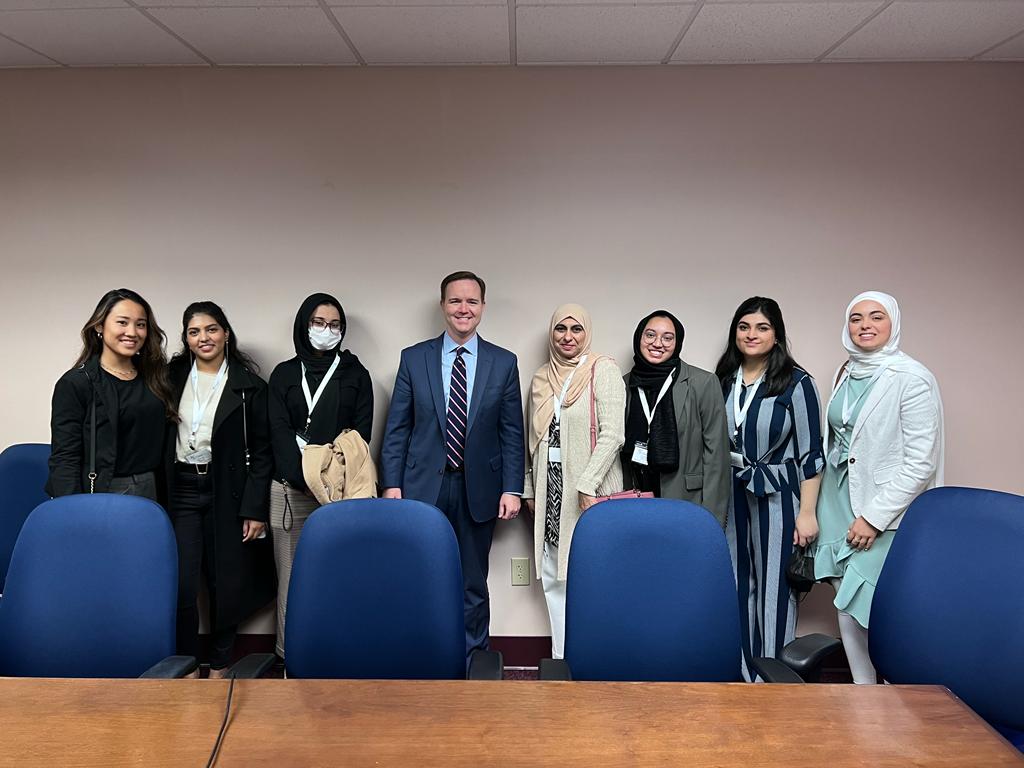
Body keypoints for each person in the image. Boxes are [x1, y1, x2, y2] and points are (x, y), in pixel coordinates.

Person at [380, 270, 525, 658]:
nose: (464, 309)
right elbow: (398, 428)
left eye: (472, 301)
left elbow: (512, 431)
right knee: (419, 575)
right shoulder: (414, 358)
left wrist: (512, 487)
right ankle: (421, 655)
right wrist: (391, 484)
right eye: (455, 301)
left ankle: (472, 659)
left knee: (472, 582)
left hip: (478, 489)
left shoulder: (503, 362)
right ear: (443, 306)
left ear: (482, 307)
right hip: (422, 488)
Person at [813, 291, 943, 684]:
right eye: (856, 318)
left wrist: (874, 517)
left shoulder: (912, 378)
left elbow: (922, 460)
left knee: (867, 600)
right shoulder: (846, 370)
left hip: (879, 505)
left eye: (876, 317)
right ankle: (863, 691)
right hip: (835, 497)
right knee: (844, 602)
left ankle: (890, 689)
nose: (865, 325)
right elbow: (836, 439)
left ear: (893, 324)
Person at [714, 296, 824, 682]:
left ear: (776, 335)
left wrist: (807, 513)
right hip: (732, 493)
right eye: (744, 327)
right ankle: (743, 674)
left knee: (775, 590)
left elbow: (812, 456)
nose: (752, 334)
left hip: (778, 496)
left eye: (762, 327)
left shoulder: (797, 383)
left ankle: (774, 679)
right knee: (738, 584)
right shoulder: (724, 378)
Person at [165, 301, 277, 678]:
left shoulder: (250, 386)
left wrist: (255, 508)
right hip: (181, 487)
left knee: (225, 581)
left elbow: (263, 454)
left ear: (226, 333)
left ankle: (219, 663)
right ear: (186, 339)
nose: (203, 338)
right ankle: (185, 664)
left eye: (211, 329)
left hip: (226, 490)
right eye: (194, 332)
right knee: (182, 582)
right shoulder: (169, 377)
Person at [267, 292, 373, 657]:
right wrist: (304, 475)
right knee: (292, 581)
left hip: (338, 494)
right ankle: (289, 655)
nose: (326, 331)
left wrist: (323, 473)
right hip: (290, 493)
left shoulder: (356, 374)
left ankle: (339, 654)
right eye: (318, 323)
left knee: (340, 577)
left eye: (334, 325)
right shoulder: (283, 374)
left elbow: (360, 438)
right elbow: (277, 433)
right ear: (303, 325)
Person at [523, 304, 625, 659]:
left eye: (576, 329)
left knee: (591, 575)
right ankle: (561, 658)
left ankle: (595, 658)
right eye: (561, 329)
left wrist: (587, 483)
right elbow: (531, 440)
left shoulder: (604, 370)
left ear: (587, 333)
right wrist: (530, 488)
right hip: (550, 490)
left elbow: (614, 435)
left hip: (589, 492)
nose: (568, 337)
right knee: (553, 576)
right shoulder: (540, 377)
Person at [47, 288, 175, 500]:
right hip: (104, 489)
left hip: (153, 487)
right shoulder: (77, 383)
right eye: (122, 322)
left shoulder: (156, 379)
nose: (133, 332)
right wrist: (69, 509)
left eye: (140, 324)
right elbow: (65, 457)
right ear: (99, 326)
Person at [622, 310, 730, 525]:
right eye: (650, 335)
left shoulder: (703, 383)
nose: (658, 343)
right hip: (637, 495)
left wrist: (712, 518)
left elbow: (716, 454)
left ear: (677, 342)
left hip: (688, 499)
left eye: (667, 337)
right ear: (639, 338)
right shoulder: (624, 384)